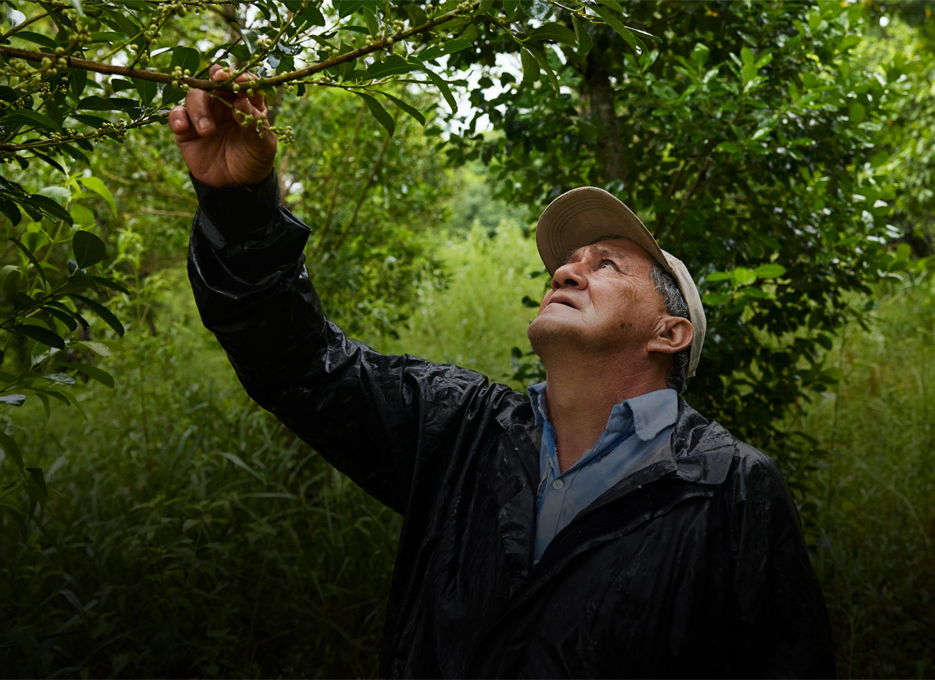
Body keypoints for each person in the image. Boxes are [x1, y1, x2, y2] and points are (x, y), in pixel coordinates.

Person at [170, 65, 834, 678]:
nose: (567, 269)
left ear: (671, 332)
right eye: (569, 260)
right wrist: (241, 207)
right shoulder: (462, 430)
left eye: (607, 264)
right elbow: (296, 361)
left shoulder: (731, 488)